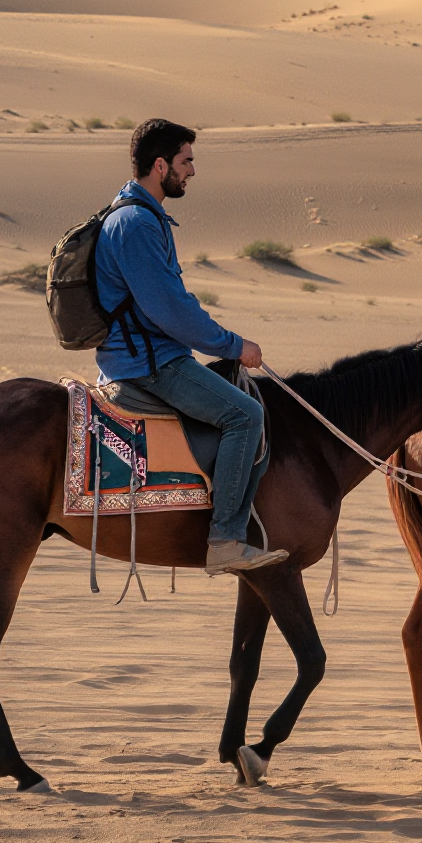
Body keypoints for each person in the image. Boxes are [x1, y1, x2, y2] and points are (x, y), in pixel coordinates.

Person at [92, 118, 282, 577]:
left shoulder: (136, 215)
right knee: (246, 415)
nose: (192, 171)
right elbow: (169, 310)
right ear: (161, 166)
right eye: (186, 161)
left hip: (145, 354)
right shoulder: (136, 223)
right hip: (150, 363)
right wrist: (234, 346)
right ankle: (225, 541)